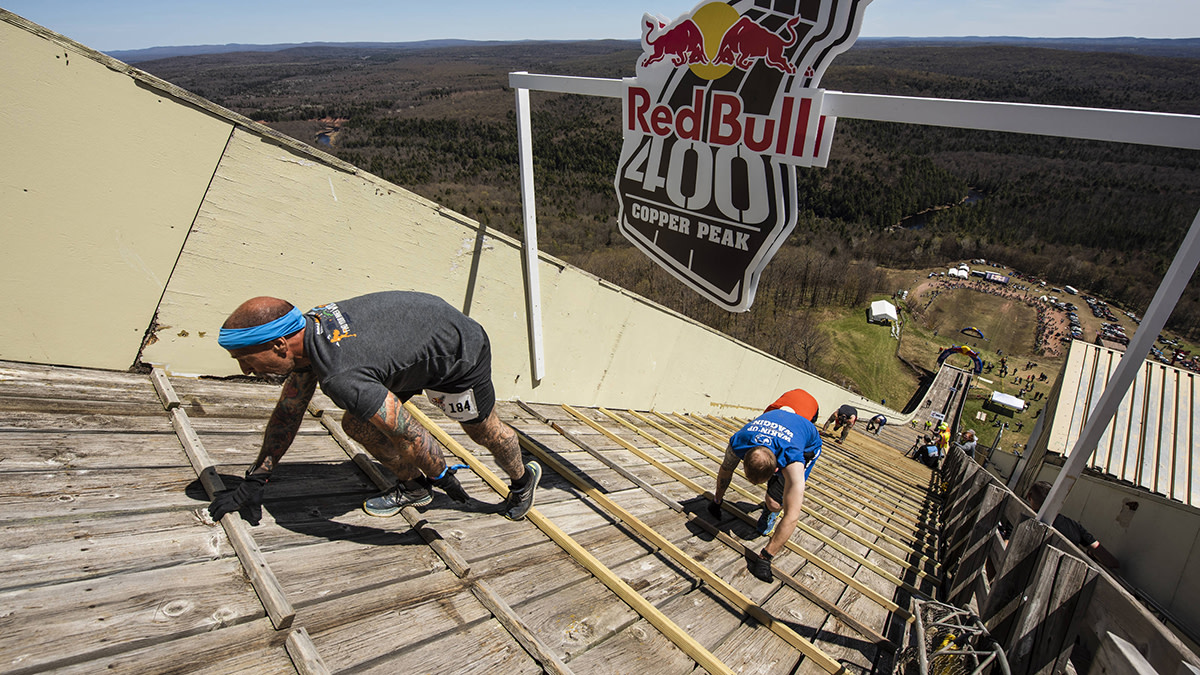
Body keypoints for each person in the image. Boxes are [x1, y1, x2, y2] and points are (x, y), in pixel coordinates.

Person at [206, 291, 542, 526]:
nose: (245, 370)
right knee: (357, 425)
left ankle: (522, 480)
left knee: (484, 432)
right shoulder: (307, 331)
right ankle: (414, 488)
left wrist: (442, 475)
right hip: (408, 348)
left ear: (280, 345)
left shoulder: (340, 374)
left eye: (245, 359)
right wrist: (258, 476)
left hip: (457, 353)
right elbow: (289, 410)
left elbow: (412, 436)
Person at [708, 402, 822, 582]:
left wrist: (765, 558)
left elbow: (792, 516)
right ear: (744, 458)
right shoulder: (739, 441)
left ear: (777, 470)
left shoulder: (793, 461)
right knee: (771, 495)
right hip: (780, 428)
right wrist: (717, 501)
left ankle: (771, 511)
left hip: (807, 444)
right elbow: (726, 470)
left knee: (775, 503)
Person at [1025, 482, 1119, 571]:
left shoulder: (1026, 519)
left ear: (1029, 496)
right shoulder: (1073, 526)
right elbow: (1111, 562)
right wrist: (1091, 555)